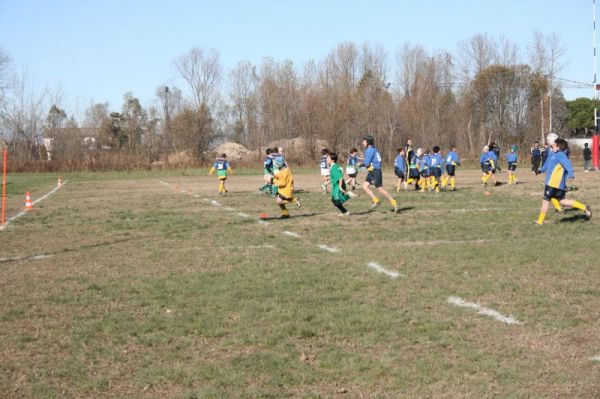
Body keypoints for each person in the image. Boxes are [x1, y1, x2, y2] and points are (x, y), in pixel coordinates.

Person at [535, 138, 592, 225]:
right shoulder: (554, 154)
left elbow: (567, 164)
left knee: (545, 201)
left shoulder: (560, 155)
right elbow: (548, 166)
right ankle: (585, 208)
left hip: (552, 183)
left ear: (558, 147)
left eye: (554, 145)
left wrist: (571, 174)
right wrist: (540, 170)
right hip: (556, 185)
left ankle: (540, 221)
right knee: (562, 201)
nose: (552, 146)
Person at [360, 134, 399, 213]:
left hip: (375, 171)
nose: (362, 142)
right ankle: (376, 200)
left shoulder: (369, 150)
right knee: (365, 186)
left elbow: (366, 163)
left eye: (364, 141)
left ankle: (395, 203)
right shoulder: (373, 149)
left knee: (380, 189)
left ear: (368, 142)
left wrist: (359, 166)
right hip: (373, 171)